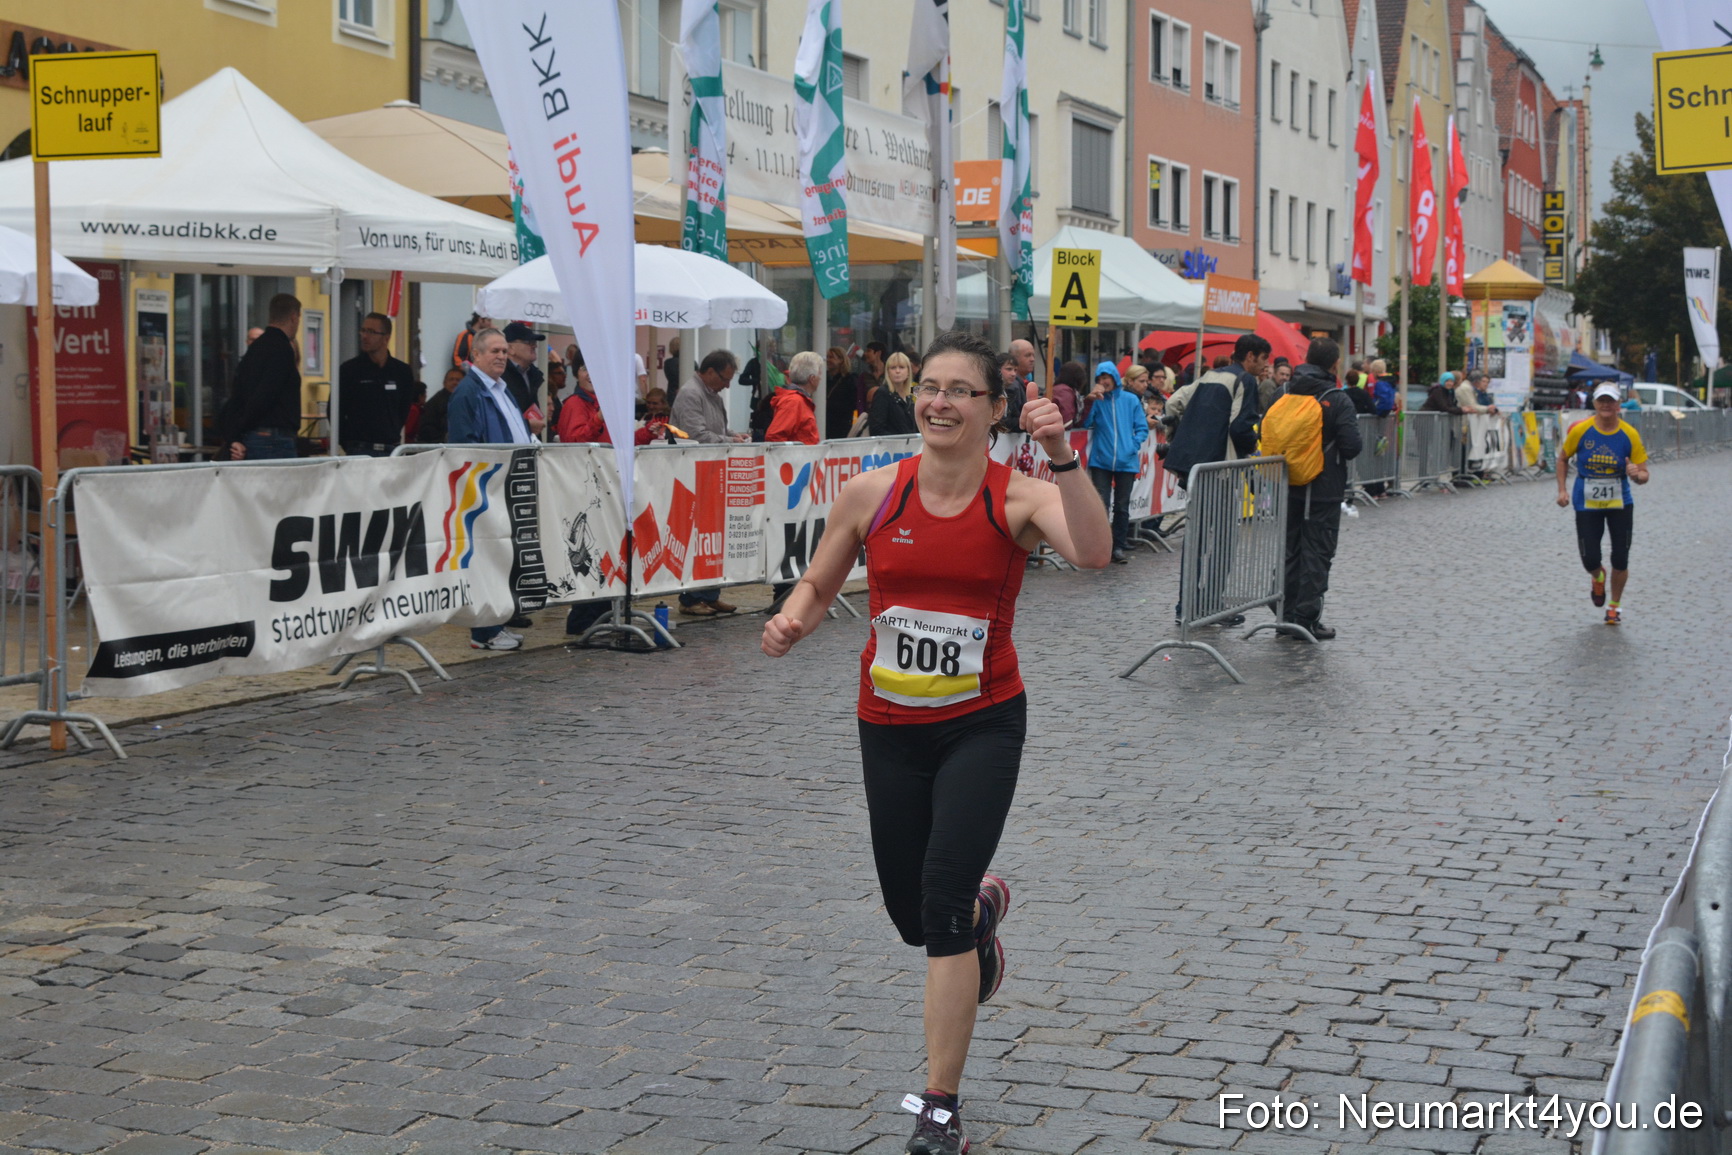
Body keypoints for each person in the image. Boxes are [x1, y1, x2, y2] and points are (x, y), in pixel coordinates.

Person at [760, 330, 1111, 1155]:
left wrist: (1063, 454)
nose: (939, 402)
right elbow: (820, 579)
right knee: (911, 913)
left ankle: (939, 1107)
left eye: (959, 390)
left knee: (940, 908)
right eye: (928, 386)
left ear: (995, 408)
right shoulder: (872, 492)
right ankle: (983, 915)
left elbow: (1094, 552)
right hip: (887, 725)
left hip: (980, 723)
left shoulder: (1018, 497)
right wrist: (793, 618)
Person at [447, 328, 535, 651]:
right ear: (476, 355)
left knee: (500, 558)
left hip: (509, 486)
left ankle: (496, 623)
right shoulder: (469, 393)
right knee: (485, 559)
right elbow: (463, 445)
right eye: (494, 351)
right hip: (486, 488)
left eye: (504, 351)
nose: (501, 356)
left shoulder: (502, 388)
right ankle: (484, 632)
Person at [1278, 339, 1362, 641]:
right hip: (1323, 488)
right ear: (1335, 364)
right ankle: (1305, 619)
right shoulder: (1336, 398)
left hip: (1286, 483)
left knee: (1289, 551)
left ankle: (1284, 616)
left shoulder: (1283, 391)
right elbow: (1352, 446)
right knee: (1317, 554)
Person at [1556, 382, 1650, 625]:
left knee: (1621, 557)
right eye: (1602, 400)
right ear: (1595, 403)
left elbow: (1644, 475)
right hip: (1586, 502)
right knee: (1590, 558)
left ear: (1619, 404)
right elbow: (1563, 458)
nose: (1606, 405)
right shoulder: (1581, 430)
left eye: (1611, 400)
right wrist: (1562, 490)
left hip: (1620, 503)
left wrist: (1636, 474)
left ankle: (1614, 606)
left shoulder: (1629, 434)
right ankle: (1598, 577)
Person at [671, 349, 746, 617]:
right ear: (710, 372)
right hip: (694, 474)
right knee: (697, 537)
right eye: (725, 379)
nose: (727, 385)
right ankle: (691, 598)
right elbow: (696, 435)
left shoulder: (713, 394)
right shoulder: (691, 394)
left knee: (712, 537)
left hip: (713, 474)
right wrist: (730, 441)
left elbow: (719, 430)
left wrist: (736, 436)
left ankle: (710, 594)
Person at [1082, 361, 1148, 565]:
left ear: (1114, 378)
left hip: (1126, 461)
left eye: (1106, 377)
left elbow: (1142, 428)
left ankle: (1118, 546)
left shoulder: (1130, 399)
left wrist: (1132, 446)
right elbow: (1085, 423)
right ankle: (1101, 546)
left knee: (1121, 506)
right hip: (1101, 460)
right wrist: (1091, 401)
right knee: (1101, 505)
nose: (1103, 382)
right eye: (1100, 378)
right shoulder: (1098, 401)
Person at [223, 293, 302, 461]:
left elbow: (238, 394)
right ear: (294, 317)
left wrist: (236, 436)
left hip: (254, 436)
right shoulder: (282, 349)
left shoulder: (255, 349)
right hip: (274, 439)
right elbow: (266, 394)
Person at [336, 312, 416, 456]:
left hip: (390, 449)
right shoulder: (349, 370)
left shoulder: (401, 371)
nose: (365, 336)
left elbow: (403, 410)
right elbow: (336, 409)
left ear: (386, 338)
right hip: (359, 449)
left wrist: (392, 431)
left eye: (372, 332)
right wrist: (348, 443)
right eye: (363, 330)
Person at [767, 350, 823, 445]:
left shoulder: (796, 400)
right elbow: (774, 437)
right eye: (819, 374)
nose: (820, 378)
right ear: (812, 378)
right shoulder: (794, 401)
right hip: (800, 454)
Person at [501, 322, 547, 436]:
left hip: (531, 440)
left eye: (534, 342)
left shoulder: (533, 374)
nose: (535, 346)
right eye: (528, 342)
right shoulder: (500, 376)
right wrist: (526, 425)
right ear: (510, 348)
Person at [554, 350, 606, 443]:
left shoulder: (605, 402)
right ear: (576, 374)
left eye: (597, 368)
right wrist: (598, 419)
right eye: (585, 368)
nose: (591, 373)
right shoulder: (574, 403)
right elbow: (574, 443)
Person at [869, 351, 918, 436]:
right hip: (891, 444)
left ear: (908, 372)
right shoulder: (883, 393)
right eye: (893, 368)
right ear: (888, 372)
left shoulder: (909, 396)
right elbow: (876, 429)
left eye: (901, 367)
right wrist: (899, 440)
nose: (897, 371)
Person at [416, 367, 465, 444]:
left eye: (458, 380)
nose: (454, 383)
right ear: (444, 383)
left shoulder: (466, 399)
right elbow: (427, 427)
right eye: (451, 379)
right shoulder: (436, 402)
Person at [824, 347, 859, 439]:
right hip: (826, 423)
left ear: (841, 360)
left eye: (831, 357)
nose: (828, 360)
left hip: (842, 424)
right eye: (827, 357)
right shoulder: (823, 378)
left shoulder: (850, 380)